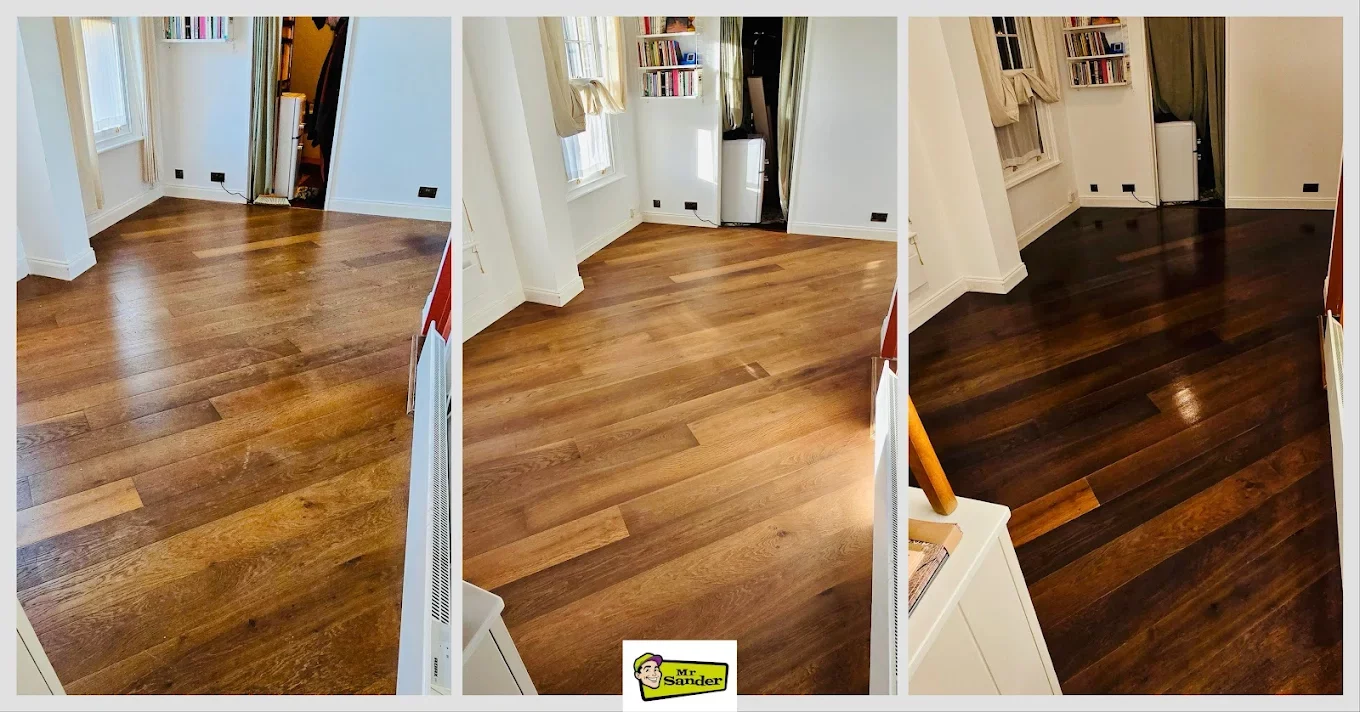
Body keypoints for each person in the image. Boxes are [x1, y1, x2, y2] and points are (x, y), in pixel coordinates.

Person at [306, 17, 348, 181]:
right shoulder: (341, 34)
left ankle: (326, 192)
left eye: (326, 21)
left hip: (331, 110)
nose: (328, 25)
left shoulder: (346, 34)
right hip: (328, 110)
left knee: (329, 150)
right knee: (327, 149)